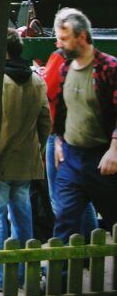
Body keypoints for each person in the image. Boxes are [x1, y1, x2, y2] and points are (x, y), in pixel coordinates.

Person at [0, 28, 51, 288]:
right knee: (23, 220)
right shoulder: (37, 81)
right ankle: (23, 275)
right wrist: (36, 151)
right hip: (25, 164)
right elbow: (46, 123)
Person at [51, 8, 117, 245]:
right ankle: (60, 279)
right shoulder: (65, 69)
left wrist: (114, 149)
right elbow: (62, 111)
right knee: (64, 220)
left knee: (114, 219)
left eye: (64, 39)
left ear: (82, 37)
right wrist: (59, 141)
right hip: (71, 158)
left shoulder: (109, 68)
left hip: (102, 159)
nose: (59, 44)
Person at [41, 48, 98, 236]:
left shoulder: (60, 56)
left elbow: (46, 89)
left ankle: (66, 254)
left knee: (60, 195)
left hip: (59, 134)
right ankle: (90, 247)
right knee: (82, 193)